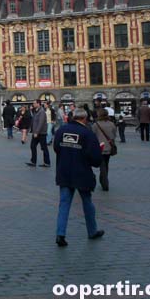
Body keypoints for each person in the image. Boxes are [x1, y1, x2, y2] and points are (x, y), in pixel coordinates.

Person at [53, 107, 105, 247]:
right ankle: (92, 231)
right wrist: (97, 153)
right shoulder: (87, 133)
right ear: (84, 118)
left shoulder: (61, 130)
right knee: (87, 202)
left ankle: (60, 234)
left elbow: (56, 148)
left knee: (64, 204)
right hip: (81, 172)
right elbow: (94, 159)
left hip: (64, 172)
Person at [92, 109, 117, 191]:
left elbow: (93, 136)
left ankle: (104, 182)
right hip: (109, 148)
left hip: (99, 148)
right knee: (106, 164)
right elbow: (114, 136)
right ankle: (104, 180)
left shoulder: (96, 125)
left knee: (102, 165)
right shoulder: (112, 124)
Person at [27, 101, 50, 167]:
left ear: (38, 104)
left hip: (41, 133)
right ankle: (33, 161)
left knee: (44, 148)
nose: (33, 104)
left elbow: (41, 123)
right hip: (35, 132)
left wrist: (36, 132)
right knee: (32, 146)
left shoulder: (42, 112)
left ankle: (47, 163)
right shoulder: (35, 111)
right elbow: (33, 121)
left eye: (34, 103)